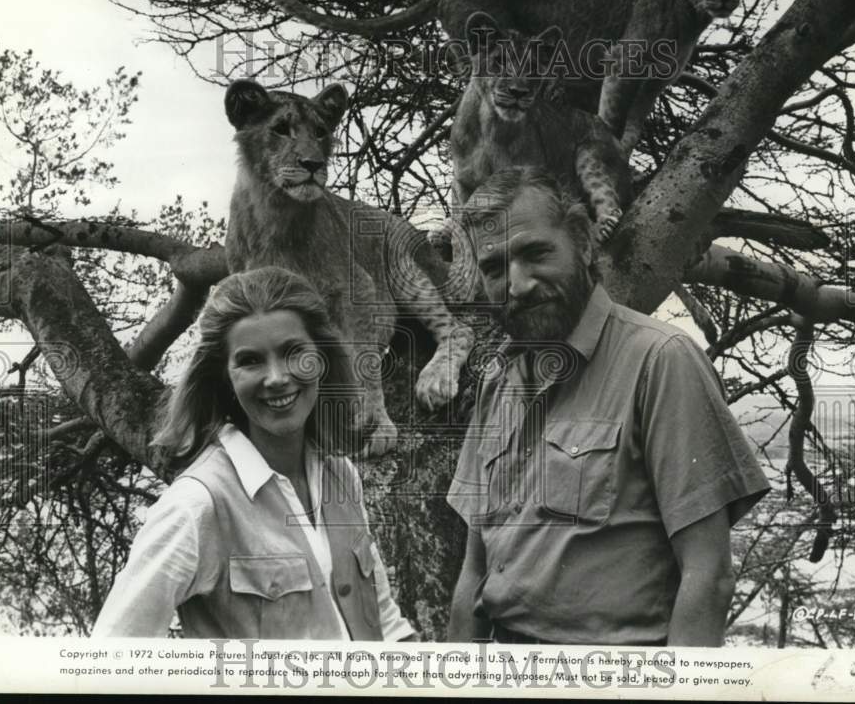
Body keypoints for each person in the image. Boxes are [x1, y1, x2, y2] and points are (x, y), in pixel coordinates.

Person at [446, 167, 770, 646]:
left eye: (535, 253)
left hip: (622, 674)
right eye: (494, 268)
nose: (517, 285)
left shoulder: (660, 361)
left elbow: (708, 576)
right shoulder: (499, 379)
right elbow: (474, 573)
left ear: (582, 240)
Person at [93, 266, 415, 640]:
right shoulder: (197, 505)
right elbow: (112, 657)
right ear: (224, 377)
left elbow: (385, 624)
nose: (277, 377)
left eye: (294, 352)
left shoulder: (341, 475)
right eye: (250, 360)